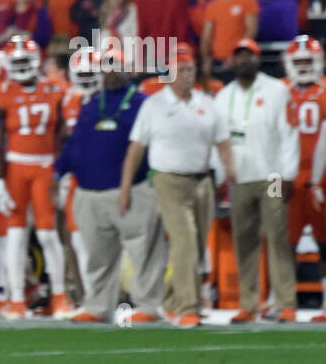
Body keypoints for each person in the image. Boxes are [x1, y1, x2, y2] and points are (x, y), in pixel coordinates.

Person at [121, 45, 237, 328]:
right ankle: (189, 308)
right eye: (181, 70)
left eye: (190, 70)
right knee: (185, 243)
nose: (187, 75)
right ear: (170, 74)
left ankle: (171, 302)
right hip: (168, 180)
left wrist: (230, 171)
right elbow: (136, 149)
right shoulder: (154, 105)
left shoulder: (206, 103)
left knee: (196, 246)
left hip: (202, 181)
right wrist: (125, 187)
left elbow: (222, 143)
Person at [54, 55, 166, 323]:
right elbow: (74, 143)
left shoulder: (144, 103)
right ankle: (97, 306)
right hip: (89, 191)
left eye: (117, 68)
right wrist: (59, 171)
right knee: (97, 255)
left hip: (133, 189)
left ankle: (149, 306)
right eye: (107, 69)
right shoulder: (92, 103)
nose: (111, 73)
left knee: (144, 251)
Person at [215, 39, 300, 321]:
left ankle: (286, 302)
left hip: (273, 174)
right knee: (245, 241)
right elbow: (219, 140)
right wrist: (220, 173)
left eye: (248, 56)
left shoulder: (277, 91)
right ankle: (249, 303)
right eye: (238, 57)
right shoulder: (223, 96)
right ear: (232, 62)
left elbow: (288, 134)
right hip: (239, 178)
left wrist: (287, 174)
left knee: (278, 236)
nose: (243, 61)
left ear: (258, 59)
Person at [0, 36, 75, 319]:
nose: (23, 67)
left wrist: (62, 173)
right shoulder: (1, 91)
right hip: (16, 168)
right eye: (17, 62)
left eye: (26, 61)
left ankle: (60, 297)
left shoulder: (54, 89)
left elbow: (61, 135)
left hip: (45, 167)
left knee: (48, 234)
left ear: (36, 61)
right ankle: (16, 300)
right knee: (15, 235)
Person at [283, 36, 326, 322]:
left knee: (325, 243)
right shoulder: (278, 92)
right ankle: (282, 301)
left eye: (306, 61)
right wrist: (272, 185)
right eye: (297, 62)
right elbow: (270, 141)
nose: (302, 67)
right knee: (281, 240)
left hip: (320, 179)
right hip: (284, 178)